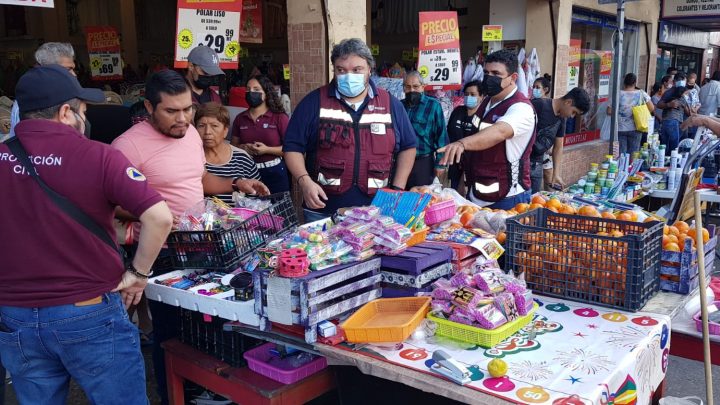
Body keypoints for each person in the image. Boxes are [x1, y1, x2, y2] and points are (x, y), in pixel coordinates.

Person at [0, 64, 174, 404]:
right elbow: (160, 217)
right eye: (82, 110)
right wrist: (138, 275)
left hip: (14, 315)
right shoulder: (100, 156)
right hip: (87, 311)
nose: (84, 117)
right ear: (66, 112)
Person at [112, 69, 268, 405]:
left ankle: (204, 389)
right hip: (160, 252)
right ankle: (172, 394)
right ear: (149, 107)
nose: (183, 119)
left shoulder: (191, 135)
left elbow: (198, 180)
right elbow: (111, 204)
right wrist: (156, 211)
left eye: (188, 110)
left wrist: (237, 184)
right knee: (170, 331)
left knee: (205, 324)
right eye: (172, 111)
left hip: (202, 245)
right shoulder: (127, 146)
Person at [283, 38, 416, 222]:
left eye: (356, 69)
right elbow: (292, 146)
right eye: (341, 70)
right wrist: (304, 181)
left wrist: (397, 190)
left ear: (370, 69)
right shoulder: (314, 102)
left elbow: (408, 146)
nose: (348, 76)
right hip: (323, 212)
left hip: (376, 212)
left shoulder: (390, 104)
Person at [438, 49, 536, 210]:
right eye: (486, 72)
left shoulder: (521, 108)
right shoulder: (486, 102)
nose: (489, 78)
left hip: (508, 197)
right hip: (477, 193)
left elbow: (499, 131)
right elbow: (475, 141)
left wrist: (461, 144)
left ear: (513, 78)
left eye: (496, 74)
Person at [231, 75, 290, 194]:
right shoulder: (240, 118)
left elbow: (290, 149)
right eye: (248, 89)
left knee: (278, 210)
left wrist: (267, 150)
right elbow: (232, 146)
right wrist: (243, 148)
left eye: (256, 89)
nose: (251, 92)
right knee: (251, 210)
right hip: (247, 173)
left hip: (275, 172)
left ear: (266, 93)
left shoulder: (279, 117)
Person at [9, 42, 77, 139]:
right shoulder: (26, 102)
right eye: (68, 69)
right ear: (48, 69)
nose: (74, 74)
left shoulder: (71, 95)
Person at [198, 102, 262, 204]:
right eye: (201, 126)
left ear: (225, 131)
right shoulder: (193, 159)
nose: (207, 132)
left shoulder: (242, 159)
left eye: (214, 126)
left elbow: (257, 200)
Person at [531, 87, 590, 192]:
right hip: (521, 163)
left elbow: (558, 147)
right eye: (574, 112)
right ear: (568, 102)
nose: (572, 116)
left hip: (537, 164)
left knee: (532, 200)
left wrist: (556, 174)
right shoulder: (539, 105)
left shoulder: (562, 118)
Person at [401, 71, 448, 189]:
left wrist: (440, 164)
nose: (412, 90)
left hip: (422, 162)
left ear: (423, 87)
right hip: (400, 161)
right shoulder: (399, 106)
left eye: (416, 86)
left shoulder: (433, 106)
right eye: (408, 87)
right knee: (400, 196)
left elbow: (441, 136)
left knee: (421, 198)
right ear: (403, 88)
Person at [447, 80, 483, 191]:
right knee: (454, 191)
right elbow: (449, 131)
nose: (469, 97)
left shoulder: (483, 115)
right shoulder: (458, 111)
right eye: (466, 94)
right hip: (455, 161)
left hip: (474, 164)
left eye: (473, 94)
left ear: (481, 97)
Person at [606, 73, 654, 156]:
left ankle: (622, 168)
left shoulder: (617, 94)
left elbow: (609, 111)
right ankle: (632, 168)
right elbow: (652, 108)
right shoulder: (641, 93)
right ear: (635, 82)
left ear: (624, 83)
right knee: (634, 154)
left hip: (620, 128)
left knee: (621, 155)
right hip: (637, 127)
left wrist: (621, 110)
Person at [530, 75, 564, 191]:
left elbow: (559, 145)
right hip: (531, 154)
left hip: (542, 153)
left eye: (537, 87)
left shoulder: (555, 109)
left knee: (548, 175)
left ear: (546, 90)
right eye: (533, 87)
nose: (535, 89)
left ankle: (547, 196)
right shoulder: (534, 104)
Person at [658, 72, 691, 153]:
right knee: (673, 148)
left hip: (670, 121)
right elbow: (659, 104)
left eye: (683, 80)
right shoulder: (670, 92)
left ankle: (664, 163)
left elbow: (688, 111)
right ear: (674, 82)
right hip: (672, 121)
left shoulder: (683, 93)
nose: (681, 82)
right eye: (680, 80)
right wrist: (669, 104)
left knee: (665, 147)